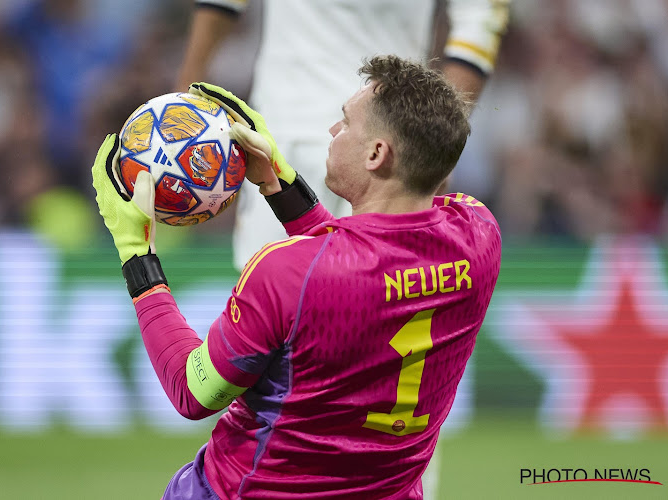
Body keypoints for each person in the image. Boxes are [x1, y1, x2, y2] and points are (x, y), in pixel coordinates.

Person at [93, 55, 501, 499]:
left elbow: (194, 392)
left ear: (376, 153)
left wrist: (136, 252)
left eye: (345, 123)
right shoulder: (478, 234)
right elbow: (361, 260)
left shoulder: (285, 272)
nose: (331, 132)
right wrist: (278, 183)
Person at [175, 0, 509, 270]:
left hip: (286, 135)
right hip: (391, 148)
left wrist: (185, 92)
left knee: (273, 316)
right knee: (377, 317)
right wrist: (433, 144)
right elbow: (478, 30)